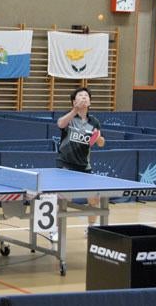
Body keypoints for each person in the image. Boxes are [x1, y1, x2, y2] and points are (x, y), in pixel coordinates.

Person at [52, 87, 105, 241]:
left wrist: (98, 138)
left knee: (94, 199)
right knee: (64, 200)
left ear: (90, 102)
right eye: (80, 96)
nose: (84, 98)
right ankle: (55, 230)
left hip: (84, 166)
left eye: (86, 96)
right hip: (65, 164)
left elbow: (101, 142)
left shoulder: (94, 121)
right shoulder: (70, 118)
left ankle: (91, 228)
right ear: (74, 101)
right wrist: (74, 111)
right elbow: (60, 124)